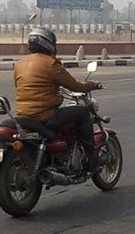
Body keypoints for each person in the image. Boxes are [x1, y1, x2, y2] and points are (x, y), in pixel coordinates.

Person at [14, 26, 102, 173]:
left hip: (23, 115)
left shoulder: (19, 64)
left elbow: (21, 86)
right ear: (48, 43)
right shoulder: (51, 64)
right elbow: (76, 86)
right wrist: (93, 84)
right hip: (45, 116)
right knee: (82, 112)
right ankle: (91, 157)